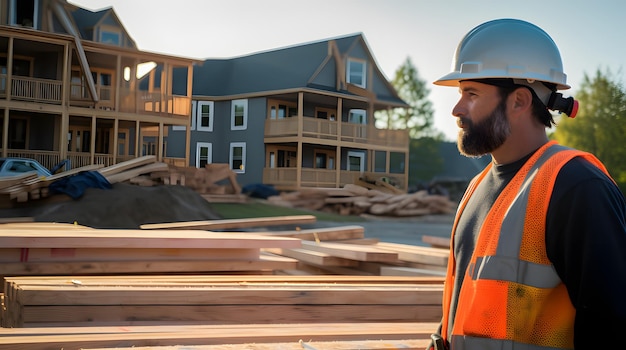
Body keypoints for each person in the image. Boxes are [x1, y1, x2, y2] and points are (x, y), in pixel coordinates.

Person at [428, 18, 626, 349]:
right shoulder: (477, 188)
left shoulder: (577, 188)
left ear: (519, 101)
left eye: (471, 94)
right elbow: (464, 305)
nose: (456, 109)